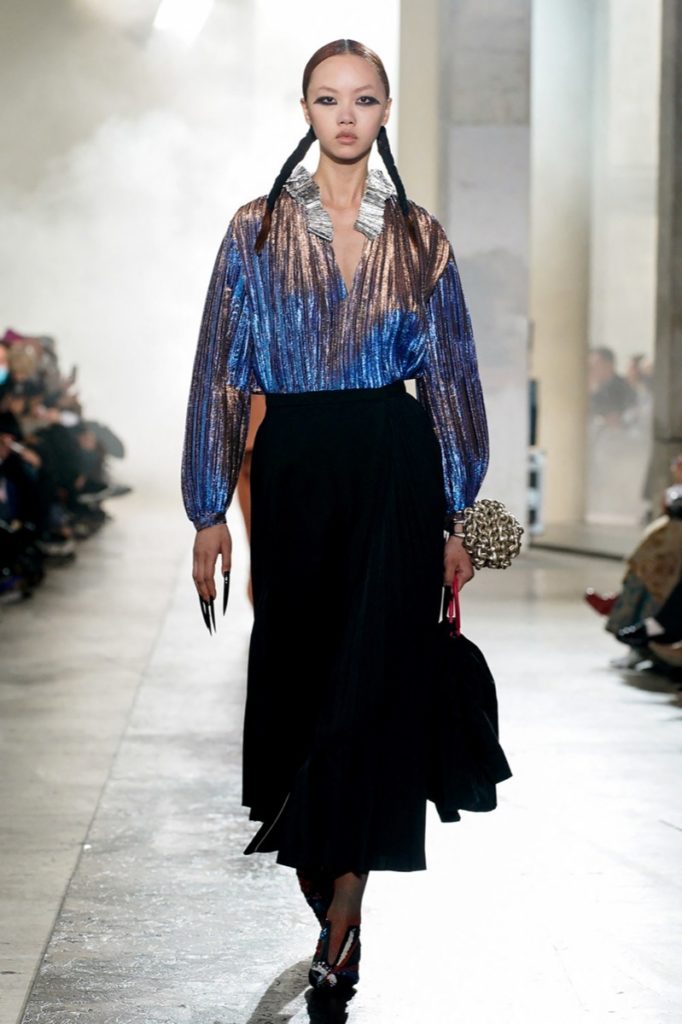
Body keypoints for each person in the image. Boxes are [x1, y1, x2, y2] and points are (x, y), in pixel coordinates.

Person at [181, 39, 491, 993]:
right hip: (296, 471)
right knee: (302, 678)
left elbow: (452, 379)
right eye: (328, 99)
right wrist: (207, 509)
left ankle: (346, 901)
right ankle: (330, 887)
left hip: (395, 469)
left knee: (375, 681)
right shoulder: (256, 230)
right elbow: (222, 369)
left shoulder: (422, 237)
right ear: (306, 110)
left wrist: (459, 520)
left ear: (386, 110)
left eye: (363, 99)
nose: (346, 115)